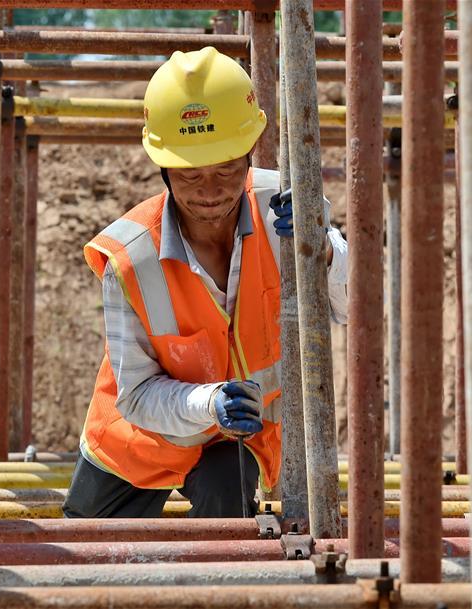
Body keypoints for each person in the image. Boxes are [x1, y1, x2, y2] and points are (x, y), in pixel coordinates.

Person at [63, 46, 348, 519]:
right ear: (164, 170)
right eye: (191, 176)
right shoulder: (130, 258)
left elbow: (350, 305)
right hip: (139, 437)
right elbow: (135, 395)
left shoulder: (288, 211)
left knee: (228, 498)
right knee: (93, 558)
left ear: (249, 156)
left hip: (242, 439)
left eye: (227, 170)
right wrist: (209, 401)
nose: (211, 192)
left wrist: (320, 245)